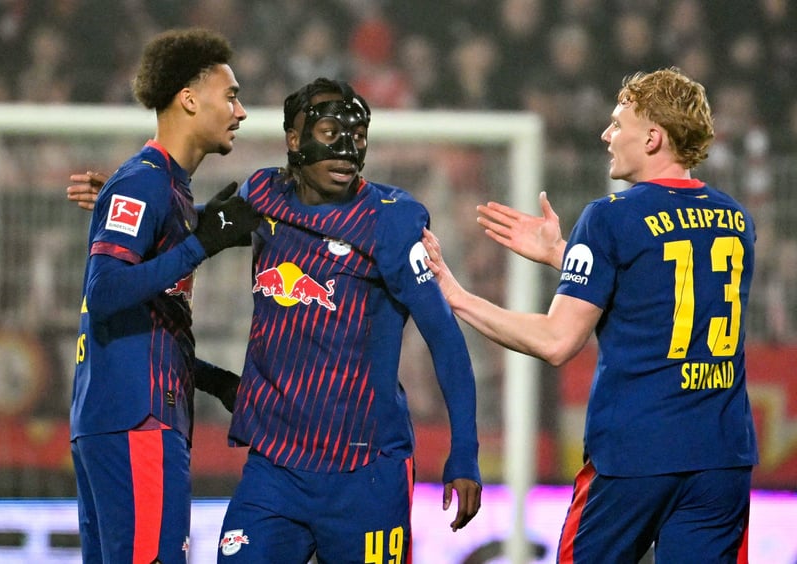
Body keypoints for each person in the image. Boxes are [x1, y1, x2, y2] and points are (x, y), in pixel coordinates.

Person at [67, 77, 482, 563]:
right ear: (294, 138)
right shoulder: (264, 195)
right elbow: (204, 224)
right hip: (275, 470)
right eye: (331, 133)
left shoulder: (392, 222)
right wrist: (129, 200)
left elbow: (445, 337)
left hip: (366, 471)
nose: (347, 150)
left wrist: (465, 451)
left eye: (357, 136)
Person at [422, 67, 758, 563]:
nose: (606, 135)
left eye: (618, 124)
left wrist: (457, 297)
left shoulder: (610, 216)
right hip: (722, 457)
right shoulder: (735, 219)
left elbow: (557, 340)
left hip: (634, 456)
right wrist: (565, 254)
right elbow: (663, 287)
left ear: (652, 137)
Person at [70, 28, 260, 564]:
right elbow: (105, 292)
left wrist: (213, 381)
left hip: (118, 420)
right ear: (189, 99)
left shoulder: (167, 190)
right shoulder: (145, 182)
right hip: (137, 422)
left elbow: (145, 322)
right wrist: (201, 244)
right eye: (231, 96)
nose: (241, 111)